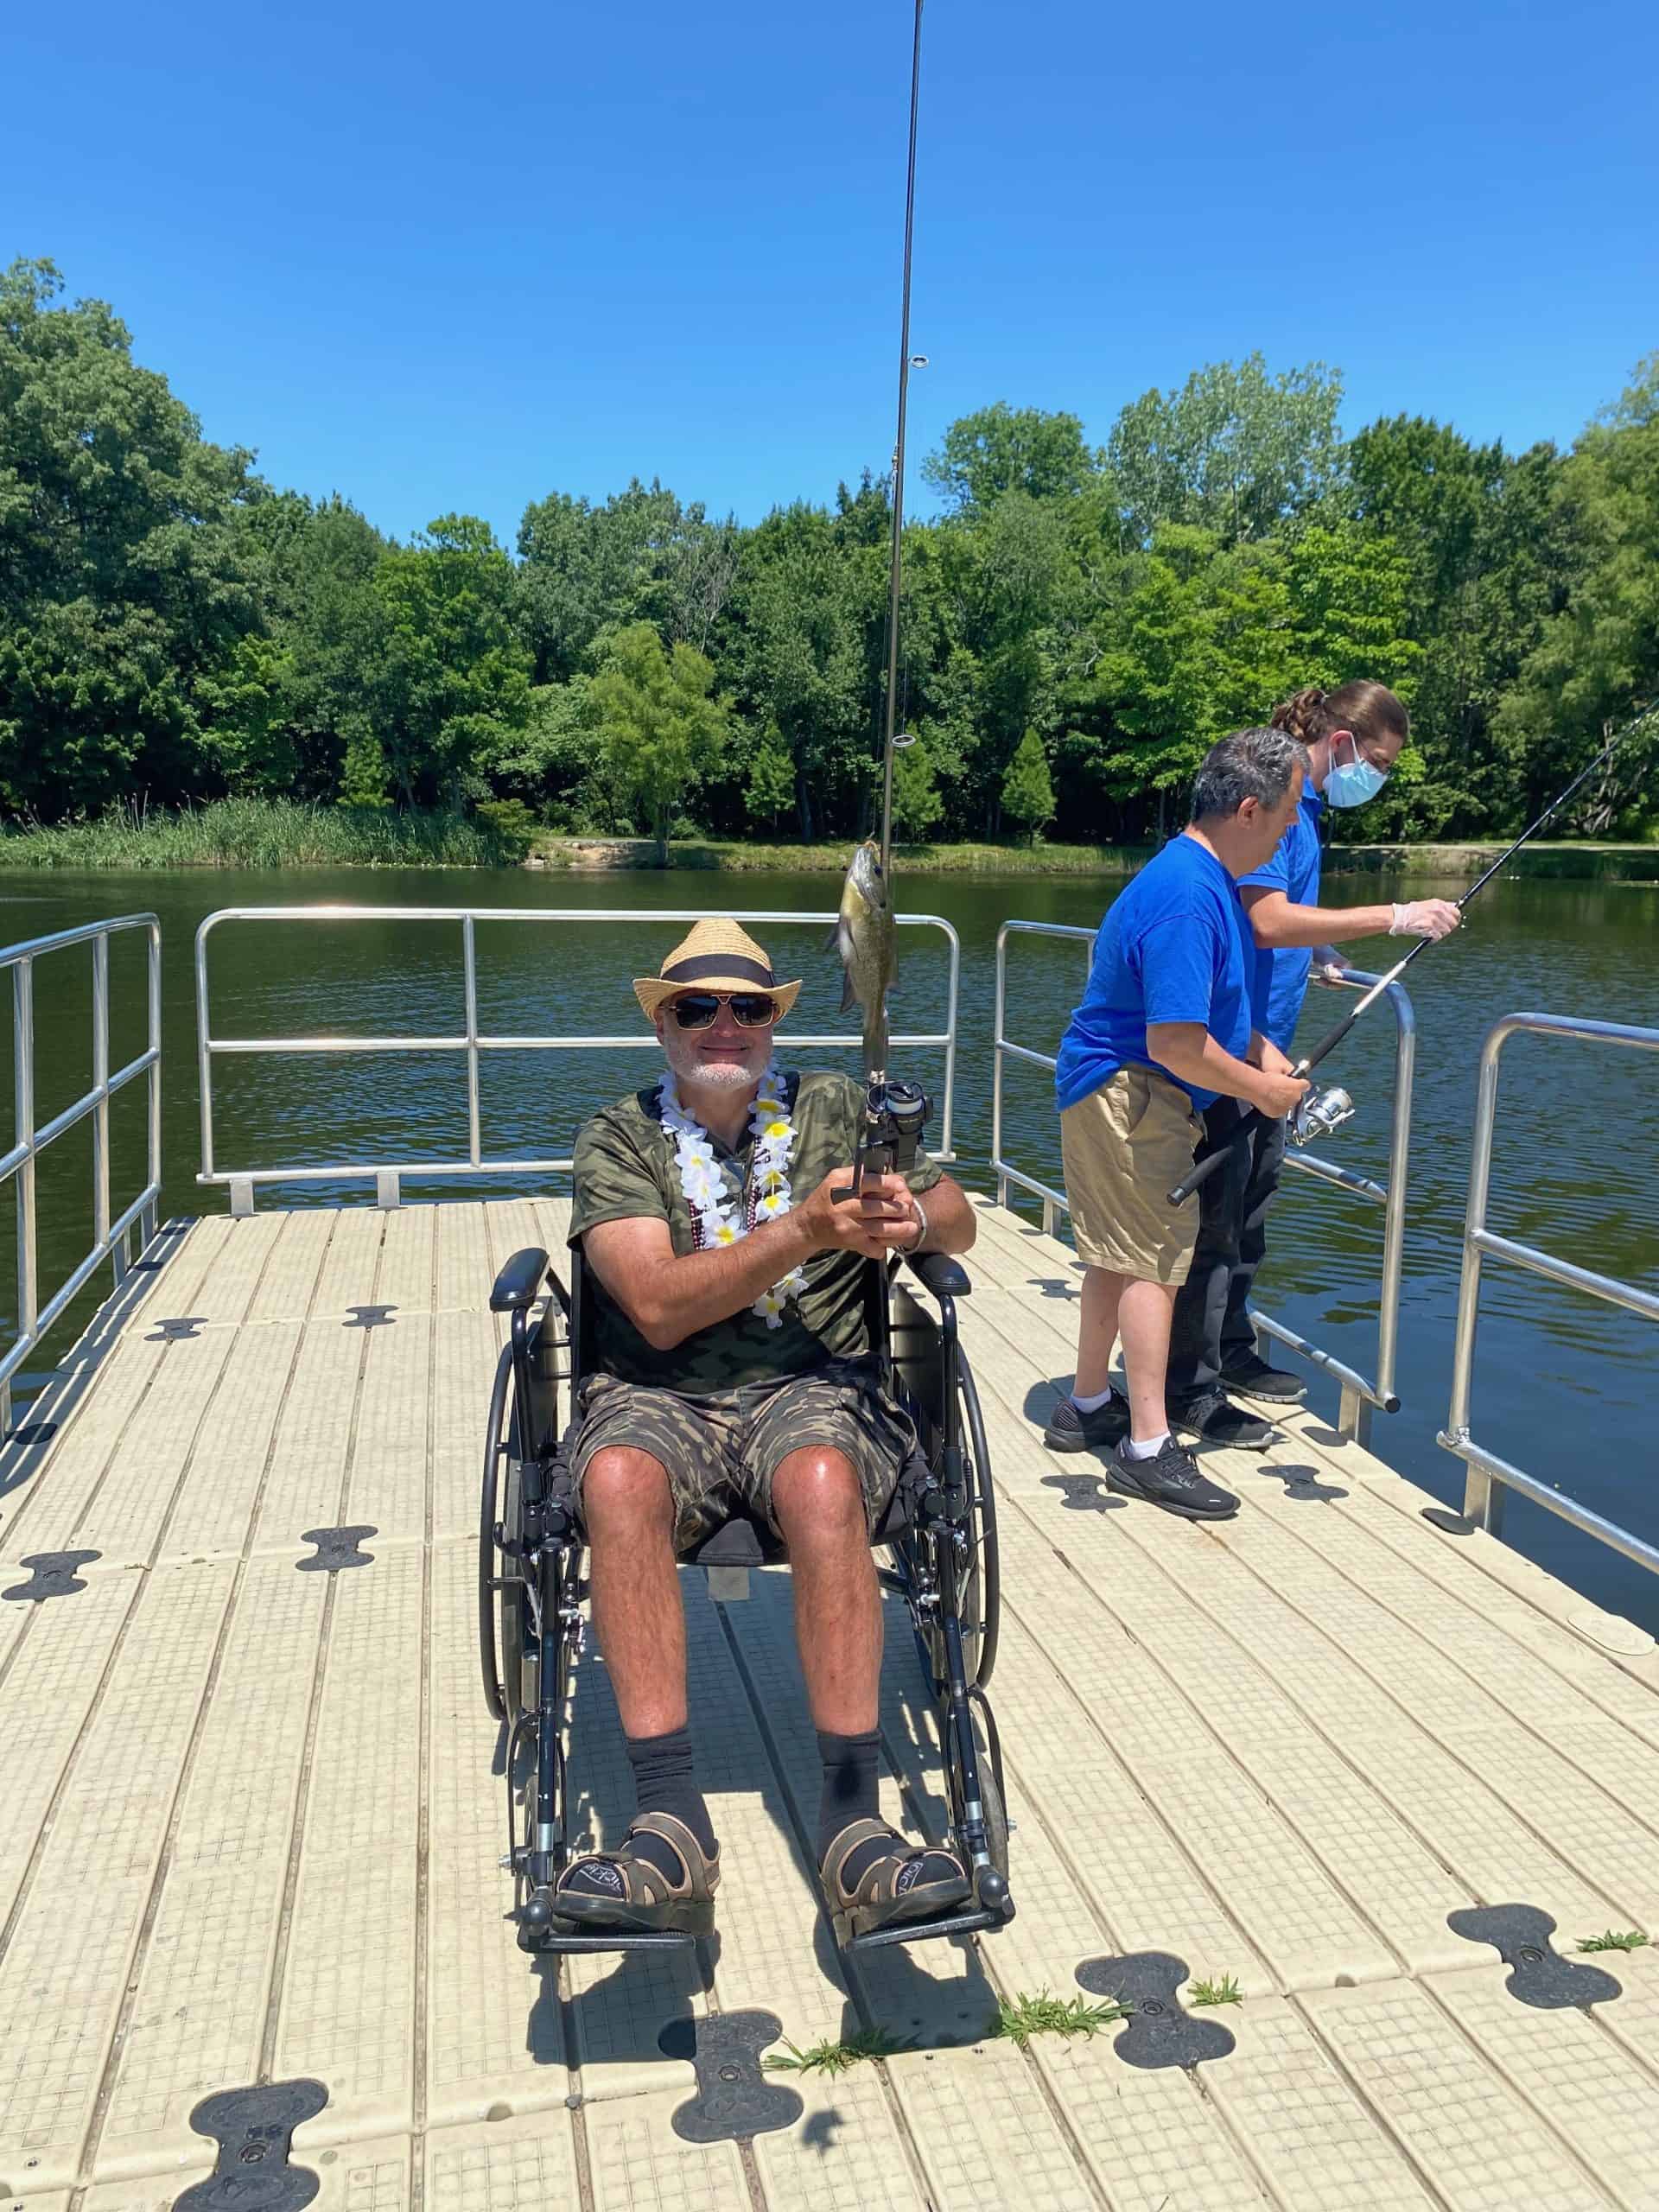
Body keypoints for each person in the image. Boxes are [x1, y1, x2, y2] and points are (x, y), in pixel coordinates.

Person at [549, 917, 980, 1940]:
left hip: (815, 1380)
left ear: (775, 1019)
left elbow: (957, 1211)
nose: (725, 1026)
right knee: (613, 1479)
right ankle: (667, 1823)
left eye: (748, 1006)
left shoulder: (838, 1106)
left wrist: (910, 1224)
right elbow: (651, 1303)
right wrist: (801, 1230)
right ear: (662, 1022)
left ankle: (852, 1826)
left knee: (825, 1477)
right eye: (697, 1006)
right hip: (657, 1390)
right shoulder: (618, 1136)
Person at [1163, 683, 1460, 1441]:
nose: (1381, 779)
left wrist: (1320, 945)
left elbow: (1278, 916)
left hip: (1272, 1052)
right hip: (1234, 1048)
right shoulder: (1281, 802)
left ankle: (1230, 1352)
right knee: (1216, 1224)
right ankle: (1187, 1390)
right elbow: (1262, 919)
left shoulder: (1305, 809)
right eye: (1381, 764)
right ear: (1343, 745)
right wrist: (1397, 916)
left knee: (1249, 1214)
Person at [1042, 728, 1311, 1517]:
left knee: (1115, 1256)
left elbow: (1218, 1018)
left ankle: (1089, 1405)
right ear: (1251, 807)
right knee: (1156, 1264)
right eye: (1290, 810)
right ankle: (1148, 1446)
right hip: (1128, 1091)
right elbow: (1175, 1043)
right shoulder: (1190, 895)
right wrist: (1261, 1095)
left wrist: (1269, 1056)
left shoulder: (1208, 880)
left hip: (1121, 1086)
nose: (1296, 827)